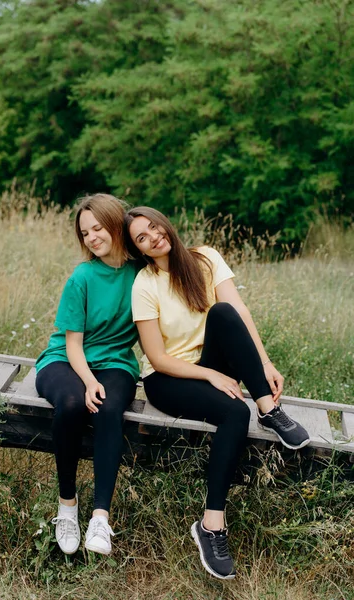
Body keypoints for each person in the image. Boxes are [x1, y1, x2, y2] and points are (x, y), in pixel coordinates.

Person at [125, 206, 310, 580]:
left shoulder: (205, 258)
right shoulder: (144, 284)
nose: (153, 237)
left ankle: (268, 408)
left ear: (164, 224)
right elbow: (158, 358)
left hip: (211, 366)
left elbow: (239, 311)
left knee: (225, 312)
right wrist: (209, 375)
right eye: (141, 238)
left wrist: (265, 364)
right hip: (170, 378)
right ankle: (212, 526)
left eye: (153, 227)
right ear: (140, 250)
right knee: (235, 414)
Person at [35, 193, 140, 557]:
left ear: (115, 225)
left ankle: (99, 518)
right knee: (71, 401)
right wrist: (89, 381)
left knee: (109, 408)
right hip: (65, 360)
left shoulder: (141, 274)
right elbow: (73, 344)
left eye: (98, 228)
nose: (92, 237)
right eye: (85, 232)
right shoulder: (81, 277)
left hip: (115, 363)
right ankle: (67, 507)